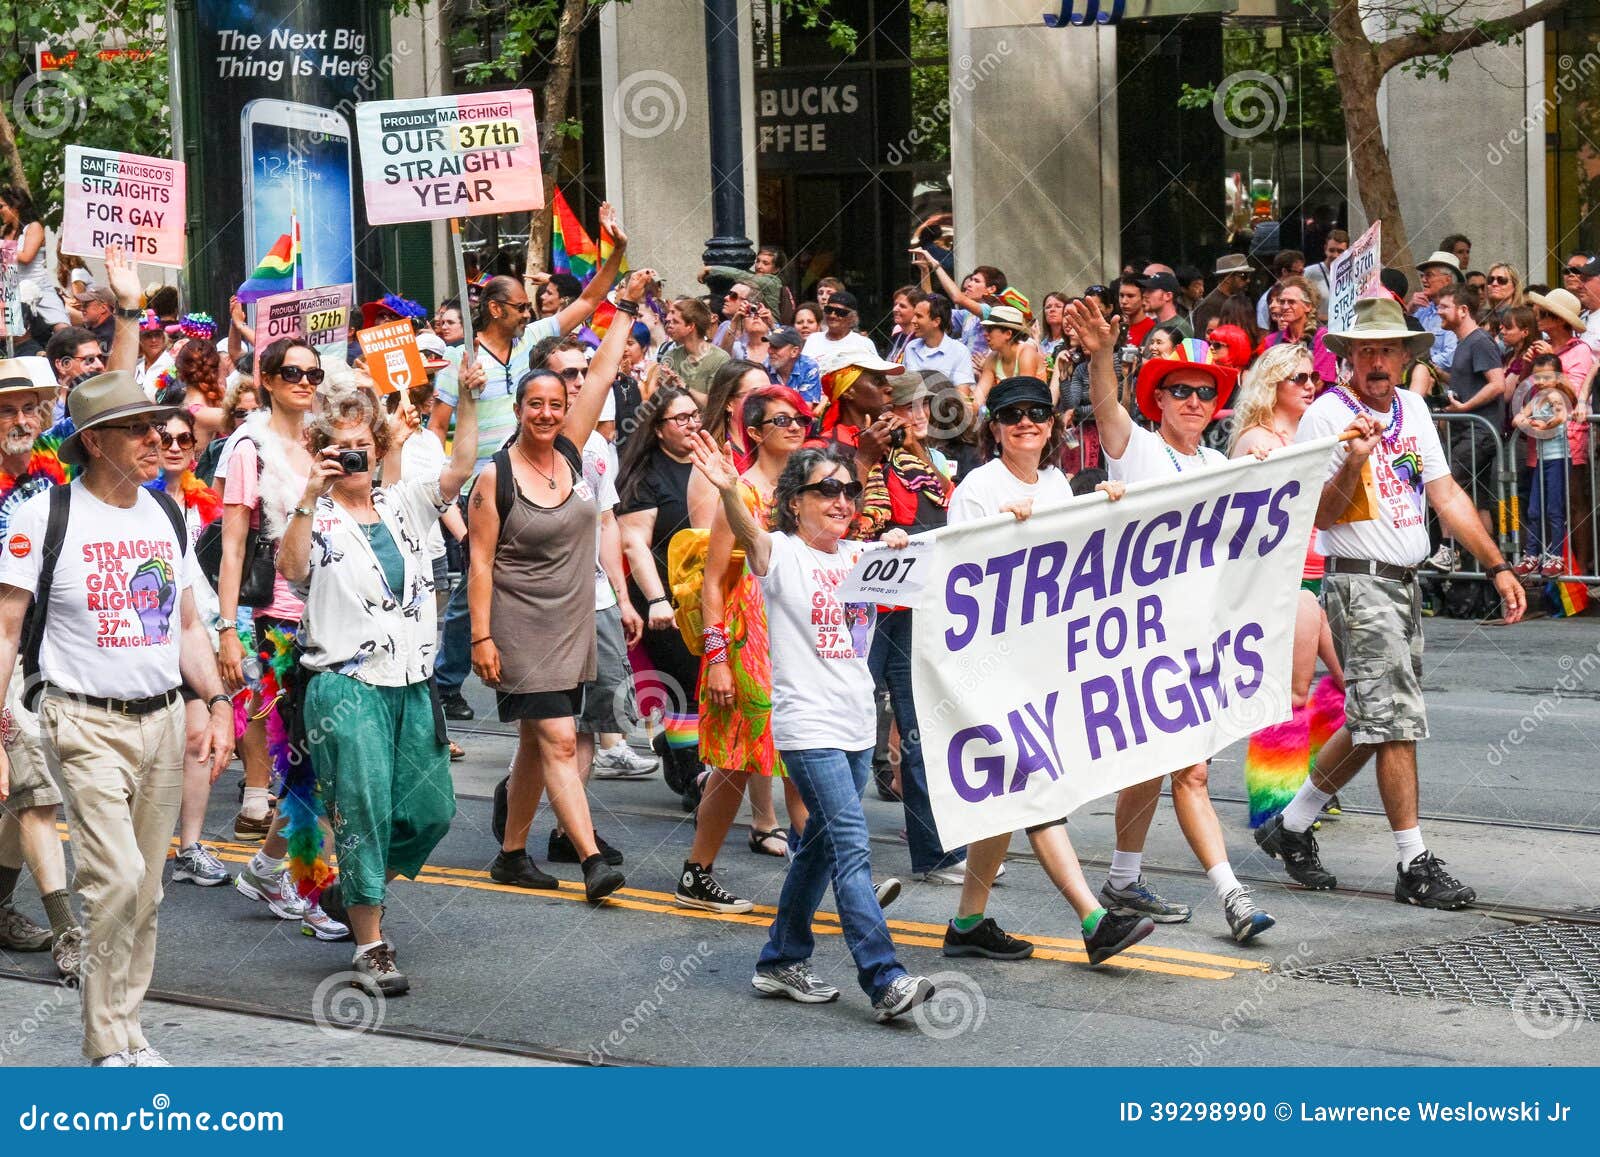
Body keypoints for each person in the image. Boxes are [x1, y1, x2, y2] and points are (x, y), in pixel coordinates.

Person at [1257, 297, 1526, 906]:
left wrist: (1497, 565)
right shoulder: (1328, 414)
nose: (1377, 361)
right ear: (1348, 356)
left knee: (1372, 718)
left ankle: (1291, 826)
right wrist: (1353, 458)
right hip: (1361, 580)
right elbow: (1320, 514)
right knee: (1395, 721)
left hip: (1405, 582)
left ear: (1407, 357)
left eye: (1388, 350)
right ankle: (1414, 862)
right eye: (1365, 350)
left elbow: (1446, 493)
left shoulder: (1410, 407)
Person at [0, 371, 235, 1066]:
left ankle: (131, 1030)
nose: (155, 439)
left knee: (149, 888)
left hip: (162, 719)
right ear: (94, 441)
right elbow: (7, 625)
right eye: (136, 428)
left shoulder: (166, 514)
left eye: (158, 426)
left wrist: (217, 700)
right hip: (82, 719)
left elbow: (188, 623)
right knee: (118, 877)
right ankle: (104, 1041)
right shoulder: (45, 515)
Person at [687, 436, 936, 1023]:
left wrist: (899, 543)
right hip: (806, 727)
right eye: (826, 489)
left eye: (850, 490)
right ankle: (884, 977)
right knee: (851, 846)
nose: (841, 500)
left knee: (819, 850)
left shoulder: (865, 559)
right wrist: (727, 487)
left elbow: (945, 561)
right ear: (794, 502)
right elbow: (745, 534)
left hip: (855, 725)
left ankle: (779, 960)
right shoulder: (779, 553)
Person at [939, 374, 1157, 963]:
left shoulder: (1062, 485)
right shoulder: (978, 489)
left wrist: (1108, 511)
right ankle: (1093, 919)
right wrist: (1002, 533)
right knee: (1035, 786)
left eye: (1038, 412)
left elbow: (1089, 560)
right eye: (1013, 416)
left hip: (1047, 664)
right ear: (995, 429)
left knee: (1008, 797)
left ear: (1054, 423)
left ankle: (967, 923)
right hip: (989, 665)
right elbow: (957, 579)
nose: (1027, 422)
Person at [1078, 302, 1277, 943]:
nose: (1193, 401)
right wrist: (1102, 354)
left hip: (1202, 639)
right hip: (1140, 637)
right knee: (1174, 768)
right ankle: (1234, 898)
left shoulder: (1220, 468)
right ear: (1157, 400)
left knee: (1172, 767)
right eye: (1180, 391)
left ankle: (1122, 878)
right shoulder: (1134, 451)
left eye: (1204, 392)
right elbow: (1107, 410)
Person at [278, 365, 476, 995]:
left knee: (430, 811)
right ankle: (372, 943)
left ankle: (349, 888)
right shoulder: (313, 513)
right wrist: (310, 495)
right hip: (345, 686)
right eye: (339, 445)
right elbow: (292, 569)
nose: (354, 455)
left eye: (363, 441)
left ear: (382, 443)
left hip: (413, 681)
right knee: (360, 811)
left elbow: (462, 465)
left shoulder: (406, 501)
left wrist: (467, 397)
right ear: (319, 449)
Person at [470, 280, 638, 902]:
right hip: (518, 624)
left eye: (554, 404)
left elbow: (596, 378)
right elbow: (480, 564)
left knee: (536, 744)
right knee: (561, 738)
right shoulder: (496, 477)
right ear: (517, 411)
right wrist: (482, 636)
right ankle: (593, 859)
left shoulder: (571, 454)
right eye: (533, 404)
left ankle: (511, 854)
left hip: (571, 621)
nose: (545, 412)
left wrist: (623, 308)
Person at [431, 206, 629, 721]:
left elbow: (588, 300)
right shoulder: (458, 362)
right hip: (488, 490)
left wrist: (617, 253)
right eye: (519, 305)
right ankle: (452, 675)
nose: (528, 311)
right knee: (477, 581)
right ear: (495, 309)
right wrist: (447, 499)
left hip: (540, 484)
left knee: (506, 580)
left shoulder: (534, 345)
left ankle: (536, 676)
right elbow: (437, 432)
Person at [212, 339, 347, 938]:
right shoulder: (249, 446)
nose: (304, 381)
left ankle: (268, 867)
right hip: (282, 621)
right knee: (302, 754)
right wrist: (226, 630)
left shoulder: (322, 437)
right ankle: (310, 886)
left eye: (312, 373)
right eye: (292, 372)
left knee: (315, 756)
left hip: (336, 612)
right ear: (265, 379)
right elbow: (234, 545)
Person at [678, 385, 813, 912]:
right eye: (782, 420)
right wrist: (716, 661)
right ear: (755, 433)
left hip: (797, 644)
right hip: (745, 646)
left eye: (800, 417)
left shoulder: (808, 491)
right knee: (734, 769)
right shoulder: (742, 494)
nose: (795, 426)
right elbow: (713, 584)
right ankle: (697, 873)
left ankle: (838, 871)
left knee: (803, 760)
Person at [1229, 345, 1346, 827]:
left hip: (1327, 572)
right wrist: (1253, 467)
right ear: (1273, 384)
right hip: (1288, 578)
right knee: (1292, 693)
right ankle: (1276, 802)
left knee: (1348, 684)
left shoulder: (1313, 432)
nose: (1309, 384)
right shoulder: (1256, 438)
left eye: (1311, 377)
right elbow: (1240, 506)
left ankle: (1315, 785)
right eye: (1298, 378)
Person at [0, 360, 83, 980]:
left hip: (43, 650)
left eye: (31, 409)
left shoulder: (54, 472)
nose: (21, 421)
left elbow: (112, 400)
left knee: (19, 788)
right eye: (6, 410)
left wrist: (131, 309)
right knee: (31, 782)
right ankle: (69, 931)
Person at [149, 410, 231, 887]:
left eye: (185, 440)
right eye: (166, 439)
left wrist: (226, 629)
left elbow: (222, 571)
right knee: (154, 745)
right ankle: (142, 847)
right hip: (151, 635)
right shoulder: (138, 500)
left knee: (198, 738)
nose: (175, 447)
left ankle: (191, 847)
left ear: (196, 451)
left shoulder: (208, 508)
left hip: (195, 633)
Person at [618, 385, 708, 806]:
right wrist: (657, 600)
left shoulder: (710, 462)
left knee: (710, 684)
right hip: (664, 599)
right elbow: (634, 542)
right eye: (681, 419)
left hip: (710, 597)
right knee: (686, 686)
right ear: (657, 430)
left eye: (695, 415)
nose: (692, 424)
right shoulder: (646, 476)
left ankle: (678, 750)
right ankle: (694, 782)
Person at [1423, 284, 1506, 572]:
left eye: (1444, 306)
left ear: (1463, 310)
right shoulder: (1464, 343)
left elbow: (1498, 383)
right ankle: (1488, 565)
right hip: (1469, 432)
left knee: (1441, 487)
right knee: (1477, 500)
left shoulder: (1480, 341)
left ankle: (1449, 550)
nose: (1438, 312)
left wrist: (1465, 408)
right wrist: (1437, 373)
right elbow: (1466, 381)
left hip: (1478, 432)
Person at [1511, 354, 1575, 577]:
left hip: (1558, 459)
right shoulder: (1536, 398)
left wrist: (1543, 425)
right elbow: (1518, 418)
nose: (1540, 382)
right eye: (1537, 377)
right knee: (1534, 509)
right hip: (1541, 460)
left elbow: (1561, 416)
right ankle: (1532, 554)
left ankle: (1556, 557)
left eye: (1546, 377)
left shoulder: (1556, 395)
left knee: (1554, 510)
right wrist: (1528, 421)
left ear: (1557, 377)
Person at [0, 186, 68, 331]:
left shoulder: (34, 227)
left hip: (39, 288)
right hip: (11, 291)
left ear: (15, 205)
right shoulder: (4, 232)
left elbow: (26, 257)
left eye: (1, 206)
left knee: (62, 328)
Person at [1262, 276, 1337, 384]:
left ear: (1308, 306)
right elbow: (1265, 380)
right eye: (1282, 302)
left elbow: (1319, 383)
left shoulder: (1323, 337)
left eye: (1291, 302)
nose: (1285, 306)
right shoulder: (1271, 341)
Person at [901, 294, 975, 395]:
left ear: (936, 322)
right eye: (914, 315)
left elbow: (962, 395)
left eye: (919, 316)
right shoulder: (910, 347)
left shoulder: (959, 351)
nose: (913, 320)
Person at [661, 297, 730, 404]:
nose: (669, 325)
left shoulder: (720, 359)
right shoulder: (670, 355)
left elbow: (714, 405)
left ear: (690, 326)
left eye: (675, 322)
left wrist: (683, 386)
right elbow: (660, 400)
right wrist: (666, 384)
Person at [973, 305, 1043, 406]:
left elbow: (1023, 397)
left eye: (990, 329)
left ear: (1008, 334)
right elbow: (978, 397)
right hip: (1007, 414)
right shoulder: (992, 358)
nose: (985, 334)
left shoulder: (1027, 353)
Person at [1410, 251, 1462, 372]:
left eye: (1429, 275)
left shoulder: (1458, 311)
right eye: (1422, 275)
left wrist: (1417, 365)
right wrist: (1409, 310)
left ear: (1447, 280)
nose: (1423, 280)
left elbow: (1450, 356)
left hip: (1439, 385)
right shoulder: (1421, 307)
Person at [800, 290, 877, 363]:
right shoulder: (813, 339)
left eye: (840, 312)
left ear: (852, 317)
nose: (832, 315)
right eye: (829, 310)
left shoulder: (863, 343)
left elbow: (877, 373)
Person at [1192, 254, 1253, 336]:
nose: (1248, 280)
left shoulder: (1241, 299)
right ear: (1227, 278)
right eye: (1243, 276)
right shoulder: (1209, 305)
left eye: (1249, 275)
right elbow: (1201, 341)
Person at [767, 327, 822, 410]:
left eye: (776, 347)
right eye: (770, 345)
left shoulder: (809, 367)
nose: (769, 351)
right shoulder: (765, 368)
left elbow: (806, 407)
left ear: (794, 351)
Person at [1302, 230, 1350, 323]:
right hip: (1318, 330)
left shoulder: (1352, 274)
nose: (1335, 255)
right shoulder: (1309, 273)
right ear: (1325, 249)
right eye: (1332, 250)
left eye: (1340, 251)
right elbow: (1300, 305)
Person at [1255, 250, 1305, 331]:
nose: (1302, 276)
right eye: (1299, 272)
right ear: (1284, 271)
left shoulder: (1301, 294)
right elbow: (1263, 332)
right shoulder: (1266, 299)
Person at [1138, 270, 1193, 337]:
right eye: (1145, 290)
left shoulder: (1180, 328)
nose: (1144, 294)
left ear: (1168, 296)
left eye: (1150, 290)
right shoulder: (1154, 325)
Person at [1481, 263, 1524, 330]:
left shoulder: (1523, 317)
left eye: (1502, 280)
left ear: (1515, 286)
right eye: (1490, 280)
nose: (1494, 284)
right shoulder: (1483, 316)